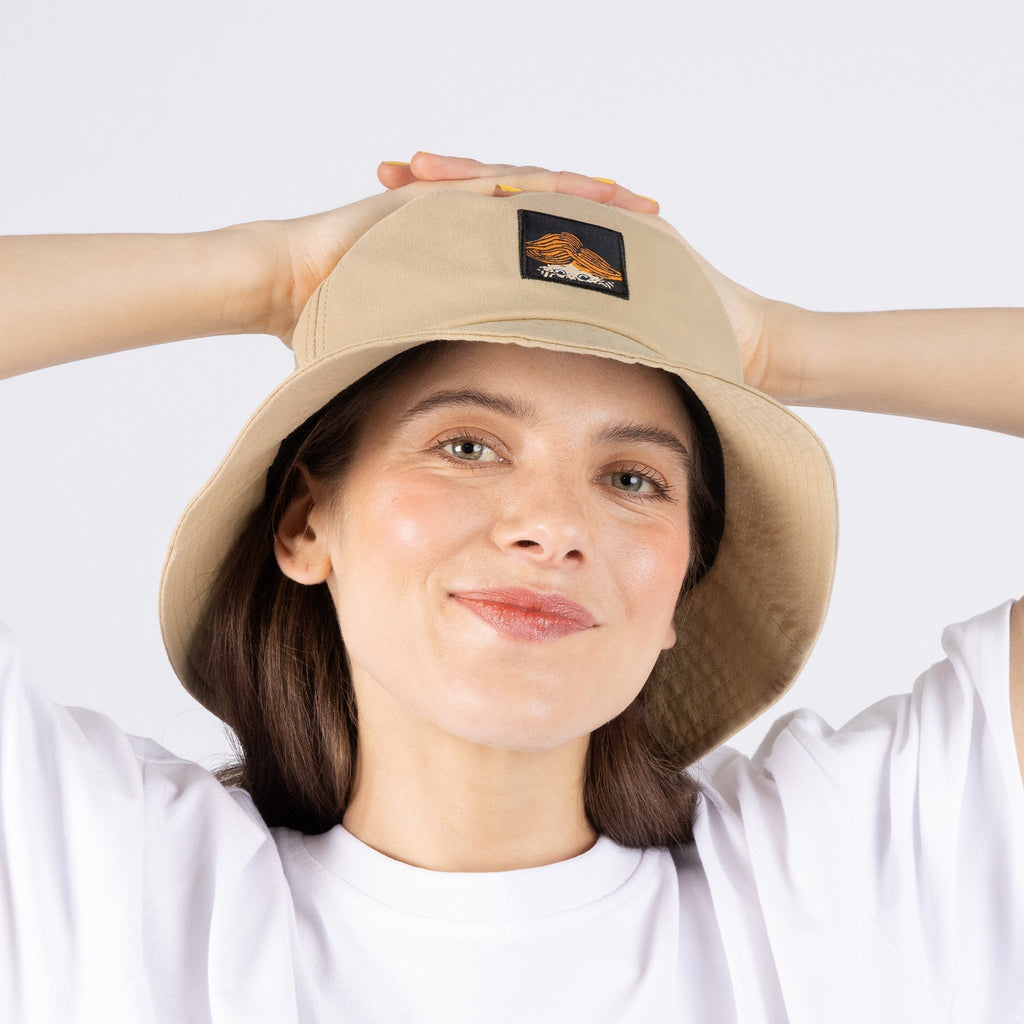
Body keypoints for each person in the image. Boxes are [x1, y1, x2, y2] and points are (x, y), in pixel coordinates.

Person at [1, 152, 1022, 1023]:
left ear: (679, 589)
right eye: (468, 444)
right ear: (306, 523)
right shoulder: (114, 881)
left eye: (631, 478)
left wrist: (774, 347)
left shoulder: (846, 875)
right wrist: (278, 273)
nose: (552, 525)